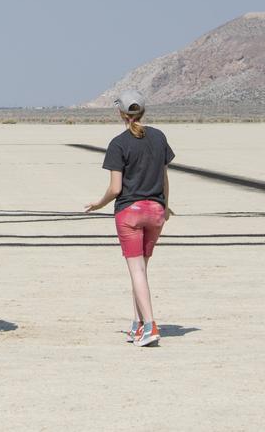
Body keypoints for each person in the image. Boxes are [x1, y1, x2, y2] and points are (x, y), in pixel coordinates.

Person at [84, 90, 174, 347]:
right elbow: (164, 177)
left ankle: (150, 325)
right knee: (142, 271)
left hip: (130, 213)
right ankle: (137, 324)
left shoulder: (118, 143)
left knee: (136, 271)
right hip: (156, 211)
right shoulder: (159, 137)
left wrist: (99, 204)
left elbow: (115, 188)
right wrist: (165, 205)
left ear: (121, 113)